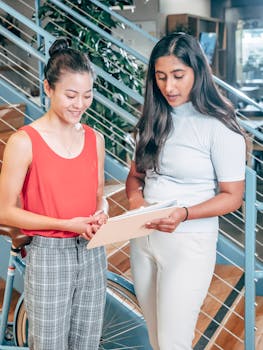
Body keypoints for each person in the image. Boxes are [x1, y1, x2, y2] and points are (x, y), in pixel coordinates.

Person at [125, 32, 246, 350]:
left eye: (178, 76)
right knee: (156, 339)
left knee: (173, 343)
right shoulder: (154, 117)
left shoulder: (219, 125)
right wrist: (137, 203)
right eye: (161, 77)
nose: (169, 87)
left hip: (188, 243)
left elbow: (232, 197)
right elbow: (135, 177)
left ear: (198, 72)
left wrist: (185, 213)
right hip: (144, 240)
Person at [0, 38, 109, 350]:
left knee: (87, 343)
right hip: (48, 253)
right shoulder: (24, 141)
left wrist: (102, 211)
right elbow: (4, 211)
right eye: (71, 95)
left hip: (92, 251)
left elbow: (99, 195)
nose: (80, 104)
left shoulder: (95, 139)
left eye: (87, 96)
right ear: (48, 88)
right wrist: (68, 224)